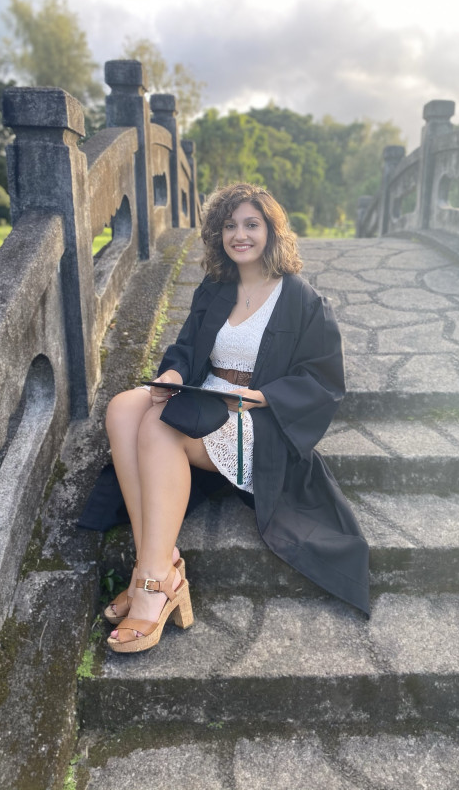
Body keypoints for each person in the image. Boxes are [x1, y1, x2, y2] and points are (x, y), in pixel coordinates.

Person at [104, 183, 370, 654]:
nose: (239, 235)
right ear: (217, 233)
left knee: (161, 426)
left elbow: (323, 379)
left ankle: (150, 586)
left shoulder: (302, 301)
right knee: (124, 407)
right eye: (230, 225)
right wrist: (171, 372)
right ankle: (158, 565)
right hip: (206, 396)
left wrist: (265, 395)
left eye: (251, 224)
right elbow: (187, 347)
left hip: (256, 419)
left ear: (271, 230)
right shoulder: (216, 288)